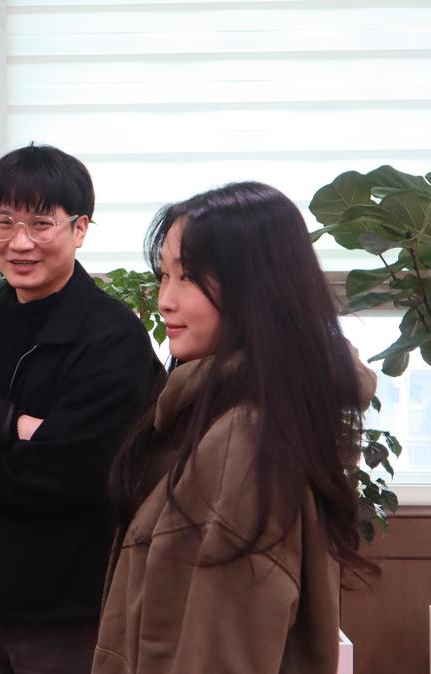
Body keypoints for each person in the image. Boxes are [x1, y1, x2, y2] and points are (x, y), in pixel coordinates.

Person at [0, 144, 165, 674]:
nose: (19, 242)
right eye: (4, 222)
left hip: (67, 611)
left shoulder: (114, 338)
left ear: (79, 229)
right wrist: (11, 425)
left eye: (41, 223)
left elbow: (75, 473)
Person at [92, 182, 378, 674]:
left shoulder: (248, 437)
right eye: (164, 275)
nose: (165, 300)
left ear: (257, 289)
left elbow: (227, 650)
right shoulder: (232, 413)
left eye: (189, 278)